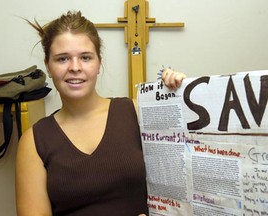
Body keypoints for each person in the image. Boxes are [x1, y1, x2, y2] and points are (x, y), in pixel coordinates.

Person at [15, 10, 186, 216]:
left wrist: (181, 95)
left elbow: (189, 169)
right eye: (62, 59)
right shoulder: (34, 141)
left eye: (85, 57)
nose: (75, 67)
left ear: (98, 63)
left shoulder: (135, 112)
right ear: (48, 67)